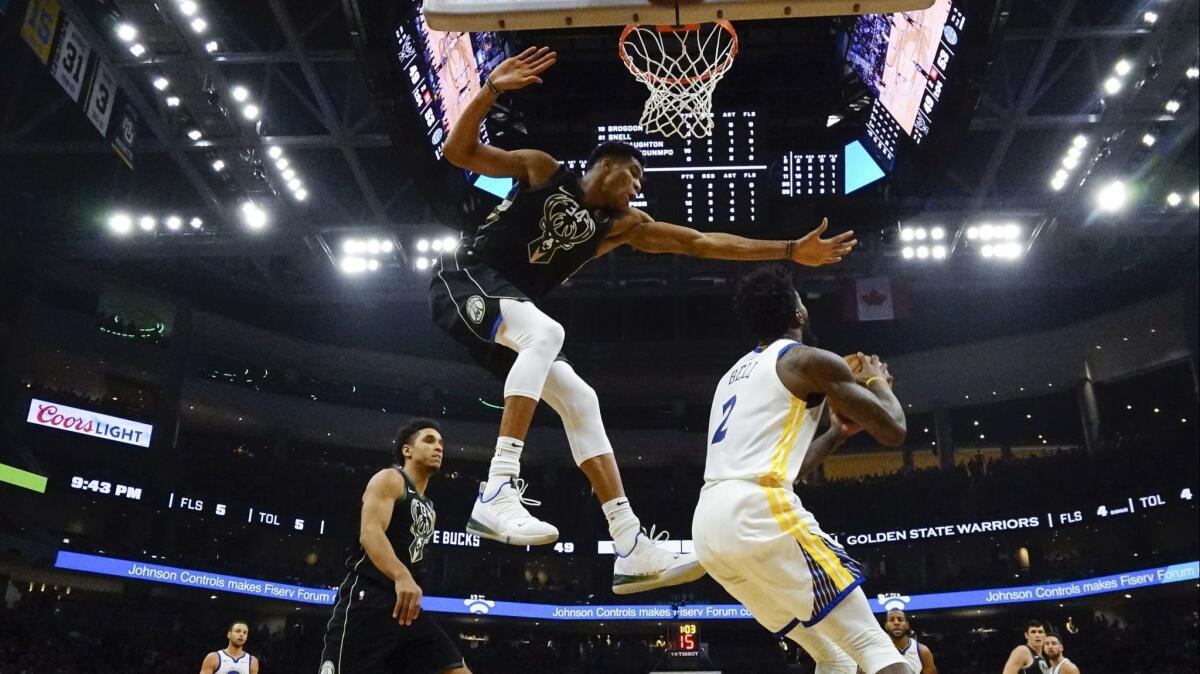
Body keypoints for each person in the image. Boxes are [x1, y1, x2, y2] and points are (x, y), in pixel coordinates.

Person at [436, 45, 856, 595]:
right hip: (464, 278)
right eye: (632, 172)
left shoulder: (623, 226)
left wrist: (787, 249)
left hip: (509, 310)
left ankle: (631, 544)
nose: (637, 185)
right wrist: (489, 90)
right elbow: (458, 151)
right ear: (603, 165)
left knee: (581, 398)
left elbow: (703, 244)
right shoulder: (543, 170)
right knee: (547, 330)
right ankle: (497, 488)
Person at [691, 265, 910, 674]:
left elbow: (788, 469)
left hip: (709, 527)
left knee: (834, 655)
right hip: (757, 512)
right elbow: (894, 430)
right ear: (798, 314)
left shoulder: (731, 377)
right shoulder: (807, 360)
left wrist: (836, 435)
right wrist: (879, 381)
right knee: (871, 643)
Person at [318, 419, 470, 674]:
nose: (439, 447)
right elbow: (370, 533)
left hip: (407, 609)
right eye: (429, 440)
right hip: (368, 600)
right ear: (407, 450)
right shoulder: (390, 478)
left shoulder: (430, 508)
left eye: (442, 443)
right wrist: (401, 576)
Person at [884, 609, 937, 673]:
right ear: (886, 626)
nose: (896, 623)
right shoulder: (880, 651)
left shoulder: (922, 651)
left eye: (900, 619)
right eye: (892, 620)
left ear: (907, 625)